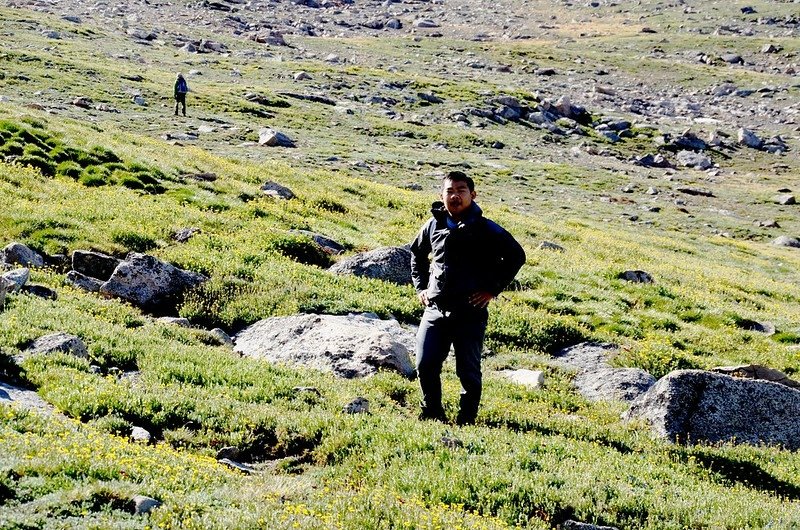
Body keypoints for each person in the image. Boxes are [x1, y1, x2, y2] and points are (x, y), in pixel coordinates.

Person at [410, 171, 526, 425]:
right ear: (441, 195)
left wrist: (491, 290)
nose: (455, 196)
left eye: (461, 190)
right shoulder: (433, 224)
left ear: (472, 195)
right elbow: (417, 254)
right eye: (449, 191)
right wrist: (421, 287)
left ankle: (467, 418)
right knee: (425, 363)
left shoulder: (487, 229)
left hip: (470, 312)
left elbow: (516, 256)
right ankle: (432, 411)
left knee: (468, 371)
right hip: (436, 308)